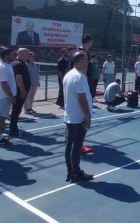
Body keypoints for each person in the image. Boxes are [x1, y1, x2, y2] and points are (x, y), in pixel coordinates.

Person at [63, 51, 93, 183]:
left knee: (70, 145)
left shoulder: (68, 75)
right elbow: (82, 97)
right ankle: (75, 173)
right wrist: (87, 115)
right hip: (78, 117)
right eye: (86, 59)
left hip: (70, 115)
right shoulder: (80, 77)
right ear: (80, 61)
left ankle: (71, 171)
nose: (88, 62)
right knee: (76, 146)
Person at [0, 47, 15, 146]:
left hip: (4, 97)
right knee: (2, 118)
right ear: (6, 55)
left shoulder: (7, 66)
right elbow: (4, 83)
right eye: (12, 54)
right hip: (3, 97)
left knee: (0, 118)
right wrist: (11, 96)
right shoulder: (3, 67)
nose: (14, 56)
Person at [10, 48, 31, 137]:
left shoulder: (15, 63)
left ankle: (13, 127)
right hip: (19, 91)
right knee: (16, 109)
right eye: (27, 54)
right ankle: (13, 129)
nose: (28, 56)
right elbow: (19, 78)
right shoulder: (19, 64)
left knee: (16, 110)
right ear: (22, 54)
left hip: (17, 90)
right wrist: (22, 90)